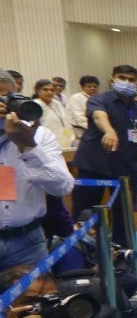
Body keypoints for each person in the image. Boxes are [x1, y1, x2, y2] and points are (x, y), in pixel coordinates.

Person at [70, 64, 137, 247]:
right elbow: (99, 117)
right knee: (85, 215)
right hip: (94, 167)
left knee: (123, 218)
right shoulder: (99, 100)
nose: (127, 82)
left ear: (136, 84)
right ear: (112, 80)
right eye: (122, 78)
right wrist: (109, 131)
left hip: (125, 170)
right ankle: (85, 259)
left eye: (131, 80)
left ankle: (122, 256)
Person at [0, 73, 75, 269]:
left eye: (6, 98)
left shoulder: (39, 135)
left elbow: (62, 187)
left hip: (28, 243)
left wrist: (28, 146)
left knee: (36, 300)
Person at [32, 78, 73, 149]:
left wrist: (69, 137)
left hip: (63, 141)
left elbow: (65, 122)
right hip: (45, 143)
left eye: (52, 90)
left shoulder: (57, 103)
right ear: (37, 91)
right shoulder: (34, 105)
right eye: (45, 90)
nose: (49, 92)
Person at [67, 75, 99, 142]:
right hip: (80, 132)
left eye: (95, 87)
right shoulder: (76, 98)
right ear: (82, 87)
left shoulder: (98, 98)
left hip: (95, 131)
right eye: (89, 86)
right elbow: (79, 118)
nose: (92, 88)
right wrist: (96, 127)